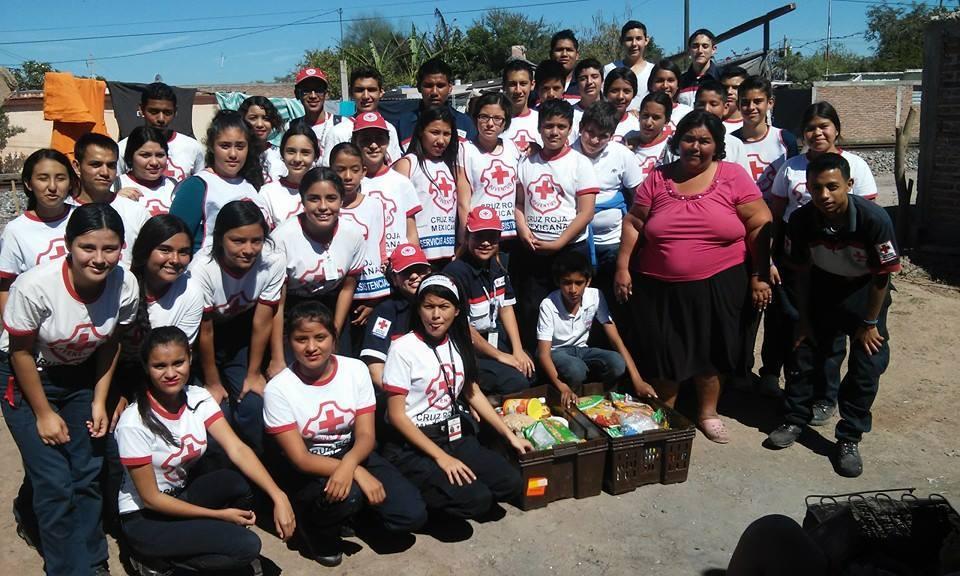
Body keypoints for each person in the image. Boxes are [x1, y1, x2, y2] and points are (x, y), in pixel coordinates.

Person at [614, 110, 773, 444]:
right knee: (664, 350)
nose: (695, 147)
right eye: (689, 139)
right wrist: (623, 266)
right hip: (658, 284)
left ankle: (707, 413)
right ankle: (666, 411)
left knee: (712, 351)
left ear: (717, 146)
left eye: (704, 141)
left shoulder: (733, 176)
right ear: (677, 141)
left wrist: (759, 273)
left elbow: (760, 223)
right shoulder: (658, 178)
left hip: (720, 282)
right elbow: (635, 222)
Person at [0, 203, 138, 576]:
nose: (99, 258)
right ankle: (68, 569)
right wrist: (44, 413)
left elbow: (111, 343)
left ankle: (94, 561)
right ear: (68, 245)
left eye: (109, 248)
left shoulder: (124, 284)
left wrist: (99, 399)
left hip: (80, 378)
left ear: (121, 248)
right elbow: (21, 353)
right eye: (87, 248)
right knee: (55, 481)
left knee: (87, 472)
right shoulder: (34, 287)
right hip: (26, 378)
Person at [116, 326, 294, 574]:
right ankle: (154, 563)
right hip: (146, 518)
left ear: (190, 358)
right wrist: (219, 516)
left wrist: (278, 495)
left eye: (178, 362)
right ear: (146, 367)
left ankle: (208, 544)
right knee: (248, 547)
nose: (171, 373)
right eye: (160, 366)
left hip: (181, 496)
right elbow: (151, 499)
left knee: (237, 484)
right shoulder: (133, 422)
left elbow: (238, 449)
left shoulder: (198, 397)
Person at [766, 153, 899, 478]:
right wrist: (804, 317)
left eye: (832, 187)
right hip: (823, 289)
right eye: (816, 188)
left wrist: (869, 324)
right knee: (804, 351)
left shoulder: (874, 220)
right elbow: (802, 272)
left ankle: (849, 437)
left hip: (865, 295)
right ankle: (795, 419)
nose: (824, 195)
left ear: (849, 185)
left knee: (866, 366)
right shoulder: (801, 221)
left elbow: (883, 275)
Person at [264, 301, 427, 566]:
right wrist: (358, 473)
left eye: (320, 337)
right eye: (301, 339)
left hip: (353, 452)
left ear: (334, 338)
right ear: (288, 342)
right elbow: (300, 459)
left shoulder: (355, 370)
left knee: (411, 515)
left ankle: (356, 515)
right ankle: (314, 527)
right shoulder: (279, 389)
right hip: (311, 468)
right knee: (347, 495)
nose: (311, 347)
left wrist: (351, 464)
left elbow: (365, 436)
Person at [381, 274, 531, 519]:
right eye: (428, 306)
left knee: (511, 483)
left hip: (454, 434)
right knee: (477, 501)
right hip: (414, 442)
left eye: (444, 307)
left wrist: (508, 435)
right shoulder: (403, 349)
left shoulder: (459, 344)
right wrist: (442, 458)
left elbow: (472, 392)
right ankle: (423, 498)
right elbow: (397, 416)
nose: (436, 315)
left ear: (457, 311)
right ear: (418, 309)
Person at [769, 102, 878, 425]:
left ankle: (825, 398)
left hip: (845, 265)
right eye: (811, 127)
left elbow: (867, 221)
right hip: (801, 258)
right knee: (800, 330)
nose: (818, 133)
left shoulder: (855, 165)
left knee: (833, 340)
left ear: (836, 129)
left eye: (824, 126)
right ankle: (796, 402)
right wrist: (774, 259)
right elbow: (776, 218)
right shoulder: (791, 167)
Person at [190, 200, 285, 454]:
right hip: (202, 340)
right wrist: (212, 381)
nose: (249, 249)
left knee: (253, 405)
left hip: (240, 334)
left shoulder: (272, 261)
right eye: (238, 241)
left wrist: (253, 374)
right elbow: (205, 330)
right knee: (217, 410)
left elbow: (263, 319)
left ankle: (264, 466)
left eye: (256, 241)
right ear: (220, 238)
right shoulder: (203, 268)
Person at [732, 75, 799, 395]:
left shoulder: (785, 140)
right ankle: (740, 370)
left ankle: (771, 372)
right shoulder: (730, 141)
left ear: (769, 103)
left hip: (777, 232)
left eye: (758, 101)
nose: (751, 107)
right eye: (745, 102)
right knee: (745, 307)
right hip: (739, 235)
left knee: (778, 309)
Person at [514, 98, 598, 349]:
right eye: (549, 126)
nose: (554, 132)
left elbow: (586, 212)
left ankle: (569, 361)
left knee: (568, 308)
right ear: (539, 128)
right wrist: (523, 229)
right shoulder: (526, 162)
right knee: (532, 308)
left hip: (570, 249)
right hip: (533, 249)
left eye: (561, 126)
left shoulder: (580, 163)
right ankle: (536, 363)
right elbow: (519, 203)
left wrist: (559, 242)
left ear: (570, 128)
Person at [538, 251, 653, 407]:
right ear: (558, 282)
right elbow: (544, 354)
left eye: (579, 283)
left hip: (581, 350)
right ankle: (568, 401)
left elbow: (615, 339)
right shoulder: (548, 304)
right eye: (567, 283)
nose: (573, 290)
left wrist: (637, 379)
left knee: (617, 363)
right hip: (556, 351)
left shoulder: (596, 296)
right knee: (576, 369)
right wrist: (562, 387)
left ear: (588, 281)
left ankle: (604, 399)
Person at [270, 167, 366, 347]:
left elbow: (347, 289)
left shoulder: (353, 234)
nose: (323, 207)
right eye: (314, 199)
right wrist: (277, 357)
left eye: (331, 198)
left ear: (341, 200)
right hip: (290, 313)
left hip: (332, 309)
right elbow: (277, 304)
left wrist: (334, 336)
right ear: (303, 200)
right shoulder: (282, 238)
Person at [444, 207, 534, 395]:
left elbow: (506, 308)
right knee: (516, 381)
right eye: (479, 236)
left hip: (492, 336)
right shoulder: (456, 274)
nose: (486, 243)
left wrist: (517, 351)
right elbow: (463, 328)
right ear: (467, 236)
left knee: (531, 370)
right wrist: (502, 357)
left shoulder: (496, 266)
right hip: (467, 346)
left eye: (492, 237)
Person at [573, 101, 644, 333]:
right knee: (583, 302)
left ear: (612, 135)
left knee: (619, 301)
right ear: (581, 127)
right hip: (580, 243)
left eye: (602, 136)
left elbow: (638, 198)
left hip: (615, 243)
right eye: (590, 133)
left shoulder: (622, 155)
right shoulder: (568, 155)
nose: (594, 141)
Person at [170, 109, 270, 252]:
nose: (233, 154)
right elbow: (175, 241)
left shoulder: (250, 183)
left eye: (240, 146)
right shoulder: (197, 186)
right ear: (211, 146)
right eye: (225, 146)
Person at [330, 142, 390, 353]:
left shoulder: (374, 205)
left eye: (354, 170)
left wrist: (375, 300)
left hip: (370, 296)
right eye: (340, 169)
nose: (347, 176)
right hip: (336, 296)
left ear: (363, 171)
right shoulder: (327, 208)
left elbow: (380, 251)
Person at [392, 107, 470, 265]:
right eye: (435, 132)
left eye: (447, 134)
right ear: (421, 131)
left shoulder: (452, 165)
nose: (441, 141)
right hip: (418, 258)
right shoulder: (408, 164)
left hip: (450, 256)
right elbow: (398, 213)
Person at [0, 149, 77, 308]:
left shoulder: (83, 217)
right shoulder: (16, 230)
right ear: (28, 184)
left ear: (70, 183)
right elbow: (6, 288)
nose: (52, 186)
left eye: (61, 178)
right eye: (43, 178)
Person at [71, 132, 150, 266]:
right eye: (96, 165)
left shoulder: (136, 212)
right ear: (77, 167)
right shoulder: (62, 212)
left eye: (111, 165)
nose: (105, 173)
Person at [360, 243, 431, 388]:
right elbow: (375, 368)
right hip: (399, 394)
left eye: (420, 270)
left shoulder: (437, 305)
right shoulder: (386, 311)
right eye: (406, 272)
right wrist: (401, 398)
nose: (414, 276)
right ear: (394, 278)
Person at [354, 111, 422, 256]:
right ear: (354, 142)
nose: (373, 145)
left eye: (380, 139)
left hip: (399, 265)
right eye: (365, 140)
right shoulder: (350, 185)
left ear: (388, 141)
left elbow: (411, 234)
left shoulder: (401, 182)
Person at [462, 92, 522, 242]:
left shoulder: (513, 148)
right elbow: (463, 202)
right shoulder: (464, 150)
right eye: (484, 117)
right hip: (480, 234)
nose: (490, 124)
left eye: (497, 118)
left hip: (511, 234)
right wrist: (464, 239)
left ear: (505, 122)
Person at [117, 82, 205, 181]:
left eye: (167, 112)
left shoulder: (193, 147)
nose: (161, 119)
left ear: (175, 111)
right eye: (154, 112)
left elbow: (201, 187)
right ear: (141, 109)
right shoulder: (122, 148)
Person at [320, 67, 404, 166]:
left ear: (381, 92)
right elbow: (329, 173)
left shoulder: (389, 129)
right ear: (351, 93)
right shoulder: (338, 132)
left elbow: (394, 166)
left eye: (371, 90)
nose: (366, 96)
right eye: (360, 90)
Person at [394, 58, 478, 148]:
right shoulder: (403, 124)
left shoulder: (465, 123)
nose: (434, 92)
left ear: (450, 88)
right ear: (418, 87)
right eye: (428, 85)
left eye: (440, 86)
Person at [682, 80, 751, 173]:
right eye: (701, 104)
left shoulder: (735, 145)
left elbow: (743, 184)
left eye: (713, 104)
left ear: (725, 108)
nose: (706, 109)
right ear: (694, 106)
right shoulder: (682, 143)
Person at [259, 122, 319, 226]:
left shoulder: (326, 191)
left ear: (315, 156)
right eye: (291, 151)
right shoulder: (267, 193)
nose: (297, 159)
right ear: (282, 154)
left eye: (305, 152)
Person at [117, 126, 178, 216]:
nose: (154, 162)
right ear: (130, 157)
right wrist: (114, 200)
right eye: (145, 155)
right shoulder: (116, 186)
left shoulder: (175, 188)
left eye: (160, 155)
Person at [290, 67, 344, 163]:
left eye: (318, 90)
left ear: (325, 94)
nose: (313, 96)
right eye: (306, 90)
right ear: (297, 94)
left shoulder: (342, 124)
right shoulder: (291, 127)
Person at [603, 20, 653, 106]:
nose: (634, 44)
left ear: (646, 40)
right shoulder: (608, 69)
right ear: (621, 41)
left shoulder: (654, 71)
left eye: (638, 38)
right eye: (629, 39)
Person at [239, 95, 285, 182]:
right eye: (253, 118)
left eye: (266, 118)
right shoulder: (237, 155)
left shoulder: (281, 154)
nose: (260, 124)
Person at [500, 59, 541, 155]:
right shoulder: (496, 122)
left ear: (532, 85)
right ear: (504, 86)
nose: (518, 90)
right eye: (512, 84)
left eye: (523, 84)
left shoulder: (542, 119)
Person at [648, 59, 694, 138]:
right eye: (660, 80)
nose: (665, 85)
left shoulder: (688, 114)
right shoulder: (641, 113)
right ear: (651, 84)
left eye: (670, 80)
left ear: (678, 85)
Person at [632, 91, 674, 178]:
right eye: (645, 115)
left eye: (656, 118)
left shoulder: (671, 148)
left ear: (667, 120)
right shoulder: (627, 141)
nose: (648, 123)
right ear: (639, 115)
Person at [678, 29, 720, 108]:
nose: (700, 50)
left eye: (705, 46)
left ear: (713, 49)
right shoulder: (680, 81)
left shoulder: (721, 79)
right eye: (695, 46)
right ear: (689, 50)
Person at [602, 67, 641, 144]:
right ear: (606, 92)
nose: (620, 96)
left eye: (626, 91)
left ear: (634, 93)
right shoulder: (593, 121)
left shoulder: (638, 124)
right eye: (614, 91)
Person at [572, 58, 604, 136]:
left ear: (602, 81)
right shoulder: (568, 113)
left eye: (594, 76)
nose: (589, 82)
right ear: (577, 84)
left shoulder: (613, 112)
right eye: (583, 78)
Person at [550, 29, 581, 101]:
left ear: (577, 55)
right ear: (551, 54)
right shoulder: (540, 85)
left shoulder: (584, 84)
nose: (564, 54)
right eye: (559, 50)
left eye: (569, 50)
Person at [719, 66, 749, 134]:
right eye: (725, 87)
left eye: (735, 87)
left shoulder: (752, 124)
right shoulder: (710, 122)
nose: (729, 91)